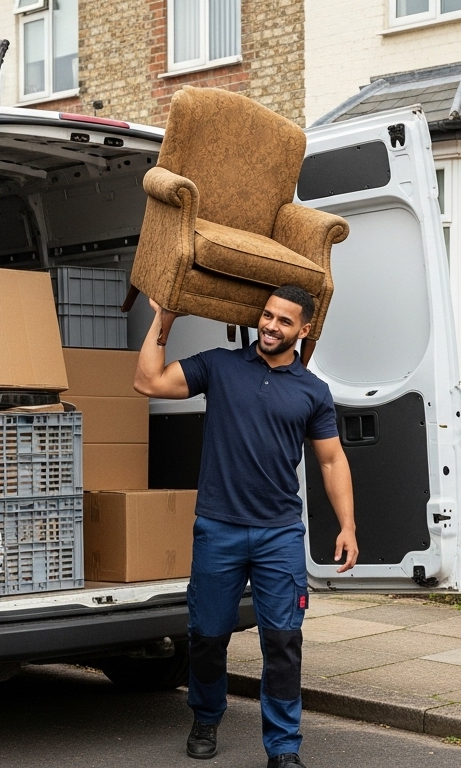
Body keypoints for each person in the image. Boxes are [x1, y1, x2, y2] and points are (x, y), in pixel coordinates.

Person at [134, 284, 359, 768]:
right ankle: (206, 714)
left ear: (303, 330)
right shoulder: (220, 366)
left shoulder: (312, 392)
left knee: (283, 641)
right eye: (267, 315)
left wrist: (348, 526)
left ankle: (283, 747)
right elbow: (148, 382)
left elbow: (331, 460)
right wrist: (165, 319)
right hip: (219, 528)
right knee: (208, 636)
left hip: (280, 532)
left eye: (283, 321)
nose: (271, 326)